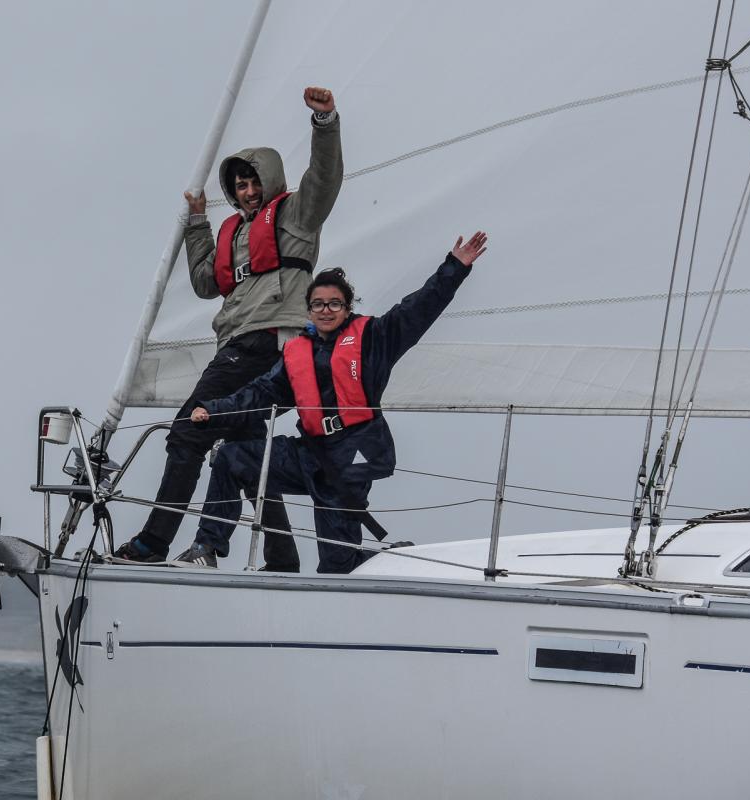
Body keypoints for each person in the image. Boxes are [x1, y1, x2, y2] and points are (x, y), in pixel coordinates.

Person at [114, 87, 344, 571]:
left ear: (269, 180)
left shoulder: (297, 216)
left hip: (266, 342)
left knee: (188, 431)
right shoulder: (235, 233)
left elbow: (324, 178)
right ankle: (282, 558)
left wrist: (324, 123)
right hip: (240, 343)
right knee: (244, 448)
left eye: (254, 181)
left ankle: (154, 542)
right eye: (240, 185)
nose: (248, 191)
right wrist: (199, 222)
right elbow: (205, 282)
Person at [178, 232, 488, 573]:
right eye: (318, 304)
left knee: (337, 565)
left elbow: (418, 309)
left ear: (347, 307)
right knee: (231, 458)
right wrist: (214, 410)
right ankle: (205, 548)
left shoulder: (374, 338)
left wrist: (455, 267)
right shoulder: (296, 353)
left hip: (350, 458)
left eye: (334, 304)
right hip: (308, 453)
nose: (326, 310)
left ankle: (392, 561)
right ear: (309, 310)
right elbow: (259, 392)